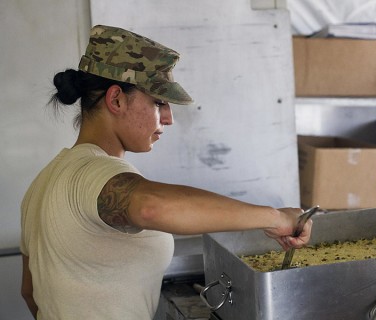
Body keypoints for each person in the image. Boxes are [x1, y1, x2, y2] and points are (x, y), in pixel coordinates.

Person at [20, 25, 312, 320]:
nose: (169, 118)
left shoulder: (43, 183)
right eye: (158, 102)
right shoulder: (93, 172)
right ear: (116, 99)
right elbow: (151, 207)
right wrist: (276, 217)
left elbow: (30, 293)